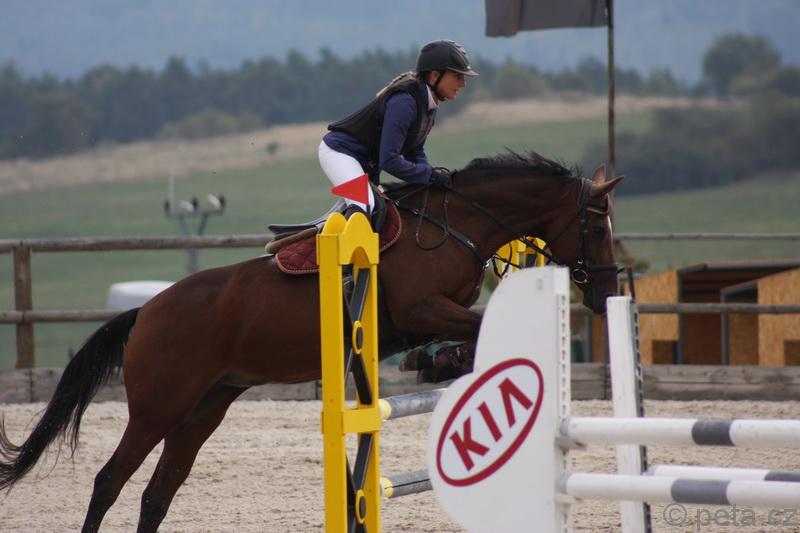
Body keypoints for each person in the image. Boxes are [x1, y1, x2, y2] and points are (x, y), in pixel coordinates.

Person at [319, 40, 479, 219]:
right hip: (340, 153)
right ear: (435, 76)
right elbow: (389, 160)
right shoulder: (404, 103)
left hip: (366, 163)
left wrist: (430, 178)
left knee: (386, 212)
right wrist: (429, 175)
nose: (463, 83)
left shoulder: (428, 104)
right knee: (365, 205)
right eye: (458, 76)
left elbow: (415, 151)